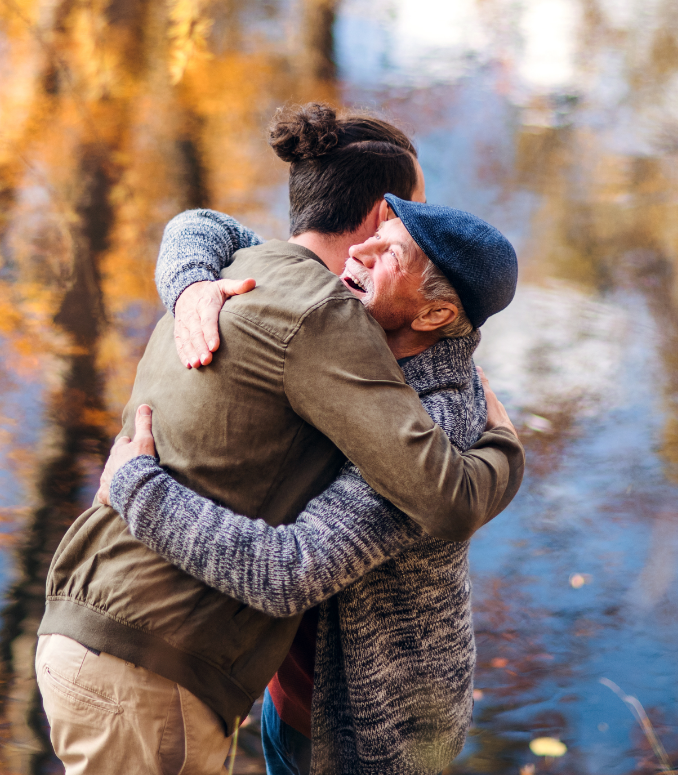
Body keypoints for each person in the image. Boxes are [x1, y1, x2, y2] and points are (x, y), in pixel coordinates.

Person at [37, 105, 524, 774]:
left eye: (396, 242)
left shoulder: (264, 278)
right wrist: (188, 283)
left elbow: (301, 562)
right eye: (391, 219)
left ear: (438, 310)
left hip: (355, 729)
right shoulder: (312, 308)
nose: (369, 247)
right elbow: (198, 225)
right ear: (373, 210)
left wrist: (500, 446)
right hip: (148, 664)